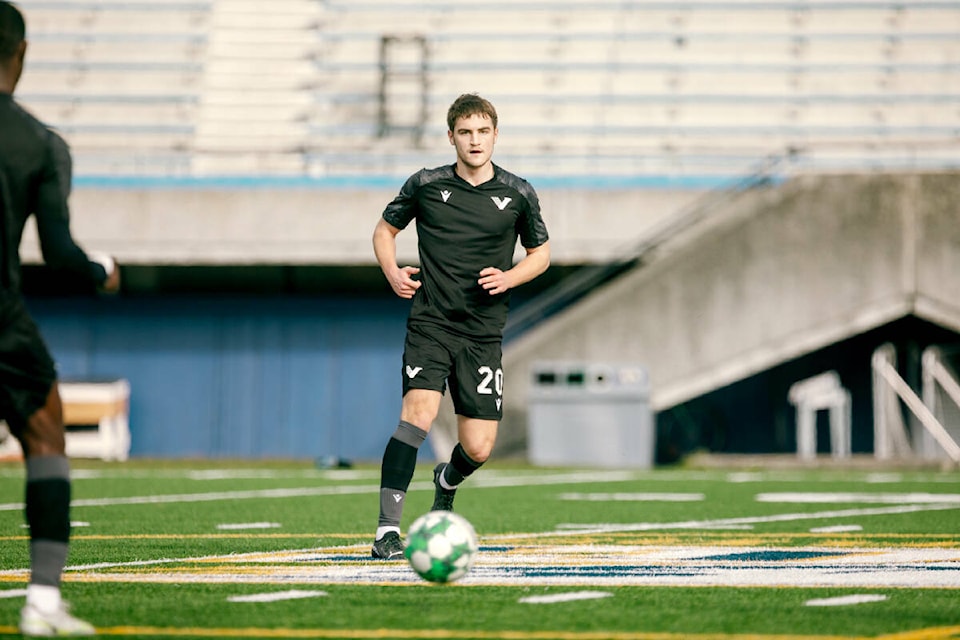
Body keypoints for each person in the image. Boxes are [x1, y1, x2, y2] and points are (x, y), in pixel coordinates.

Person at [370, 93, 550, 559]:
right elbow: (385, 231)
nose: (475, 140)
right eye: (465, 132)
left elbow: (541, 254)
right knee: (417, 418)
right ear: (451, 137)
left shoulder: (518, 193)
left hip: (483, 334)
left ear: (495, 135)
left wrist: (510, 277)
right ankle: (387, 531)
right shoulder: (426, 185)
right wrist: (391, 271)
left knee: (480, 445)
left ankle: (446, 482)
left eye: (483, 131)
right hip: (430, 323)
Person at [0, 1, 120, 635]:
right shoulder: (40, 143)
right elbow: (60, 256)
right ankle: (42, 604)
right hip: (1, 318)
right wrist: (101, 269)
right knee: (46, 435)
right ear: (20, 56)